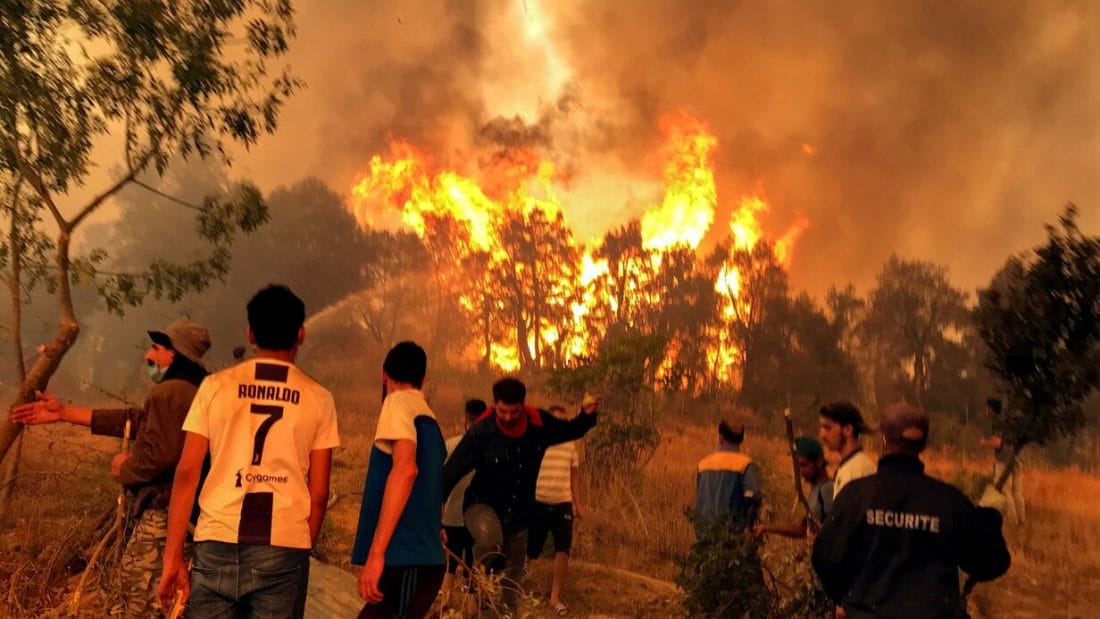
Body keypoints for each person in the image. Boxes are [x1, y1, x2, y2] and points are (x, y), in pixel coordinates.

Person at [156, 285, 340, 618]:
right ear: (301, 333)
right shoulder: (319, 398)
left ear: (250, 333)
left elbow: (186, 473)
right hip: (283, 547)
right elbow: (320, 493)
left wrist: (172, 558)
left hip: (215, 540)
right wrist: (301, 547)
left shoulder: (214, 387)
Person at [11, 319, 210, 617]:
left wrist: (126, 467)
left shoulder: (170, 393)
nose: (148, 356)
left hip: (163, 515)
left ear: (176, 353)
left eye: (156, 348)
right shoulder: (199, 391)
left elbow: (160, 458)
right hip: (190, 516)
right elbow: (137, 420)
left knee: (139, 598)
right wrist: (65, 413)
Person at [812, 403, 1011, 618]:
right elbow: (991, 563)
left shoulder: (856, 495)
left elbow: (825, 558)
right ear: (923, 445)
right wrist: (990, 515)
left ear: (884, 440)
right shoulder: (949, 502)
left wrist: (849, 599)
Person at [442, 379, 599, 616]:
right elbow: (451, 471)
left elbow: (569, 430)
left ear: (522, 406)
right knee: (489, 538)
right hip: (481, 506)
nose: (506, 417)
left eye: (512, 412)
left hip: (518, 511)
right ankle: (478, 583)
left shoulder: (538, 424)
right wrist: (436, 506)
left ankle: (508, 612)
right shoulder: (481, 431)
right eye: (501, 411)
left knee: (514, 572)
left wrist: (586, 416)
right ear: (494, 404)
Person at [351, 341, 447, 619]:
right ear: (424, 379)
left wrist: (376, 554)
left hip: (407, 558)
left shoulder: (397, 402)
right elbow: (433, 487)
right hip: (420, 560)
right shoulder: (429, 417)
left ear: (384, 374)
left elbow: (406, 470)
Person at [525, 405, 584, 616]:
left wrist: (578, 504)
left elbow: (574, 476)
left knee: (563, 548)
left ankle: (555, 597)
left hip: (563, 503)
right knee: (532, 549)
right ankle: (520, 578)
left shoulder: (570, 445)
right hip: (539, 501)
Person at [440, 399, 487, 607]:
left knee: (451, 564)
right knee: (473, 563)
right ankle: (470, 607)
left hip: (451, 515)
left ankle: (445, 605)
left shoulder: (450, 445)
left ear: (464, 420)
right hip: (477, 516)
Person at [752, 437, 833, 540]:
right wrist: (766, 528)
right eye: (798, 467)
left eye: (804, 465)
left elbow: (834, 530)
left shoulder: (827, 489)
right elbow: (802, 530)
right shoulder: (816, 490)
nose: (801, 472)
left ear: (819, 462)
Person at [694, 420, 761, 537]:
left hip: (703, 534)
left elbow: (699, 497)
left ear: (720, 438)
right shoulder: (746, 464)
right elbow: (754, 497)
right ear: (741, 440)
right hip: (732, 536)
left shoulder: (703, 464)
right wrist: (749, 527)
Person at [980, 398, 1025, 526]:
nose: (985, 410)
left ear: (990, 409)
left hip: (1004, 461)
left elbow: (997, 443)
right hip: (1015, 459)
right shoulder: (1008, 421)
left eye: (986, 408)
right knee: (1017, 491)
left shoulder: (996, 422)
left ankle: (1012, 522)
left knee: (1006, 492)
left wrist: (984, 443)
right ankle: (1021, 521)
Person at [819, 401, 876, 498]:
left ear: (848, 429)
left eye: (827, 428)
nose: (822, 434)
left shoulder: (860, 470)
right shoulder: (848, 466)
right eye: (821, 428)